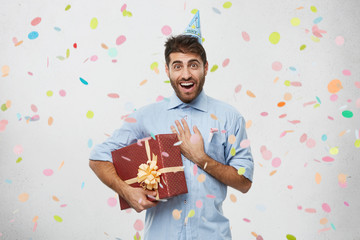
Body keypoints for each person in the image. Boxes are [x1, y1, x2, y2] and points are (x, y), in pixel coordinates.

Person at [89, 11, 254, 240]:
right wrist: (126, 191)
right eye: (177, 66)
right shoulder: (146, 117)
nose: (186, 74)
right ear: (167, 70)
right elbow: (98, 157)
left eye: (193, 65)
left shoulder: (230, 117)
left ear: (206, 67)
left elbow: (245, 181)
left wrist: (201, 158)